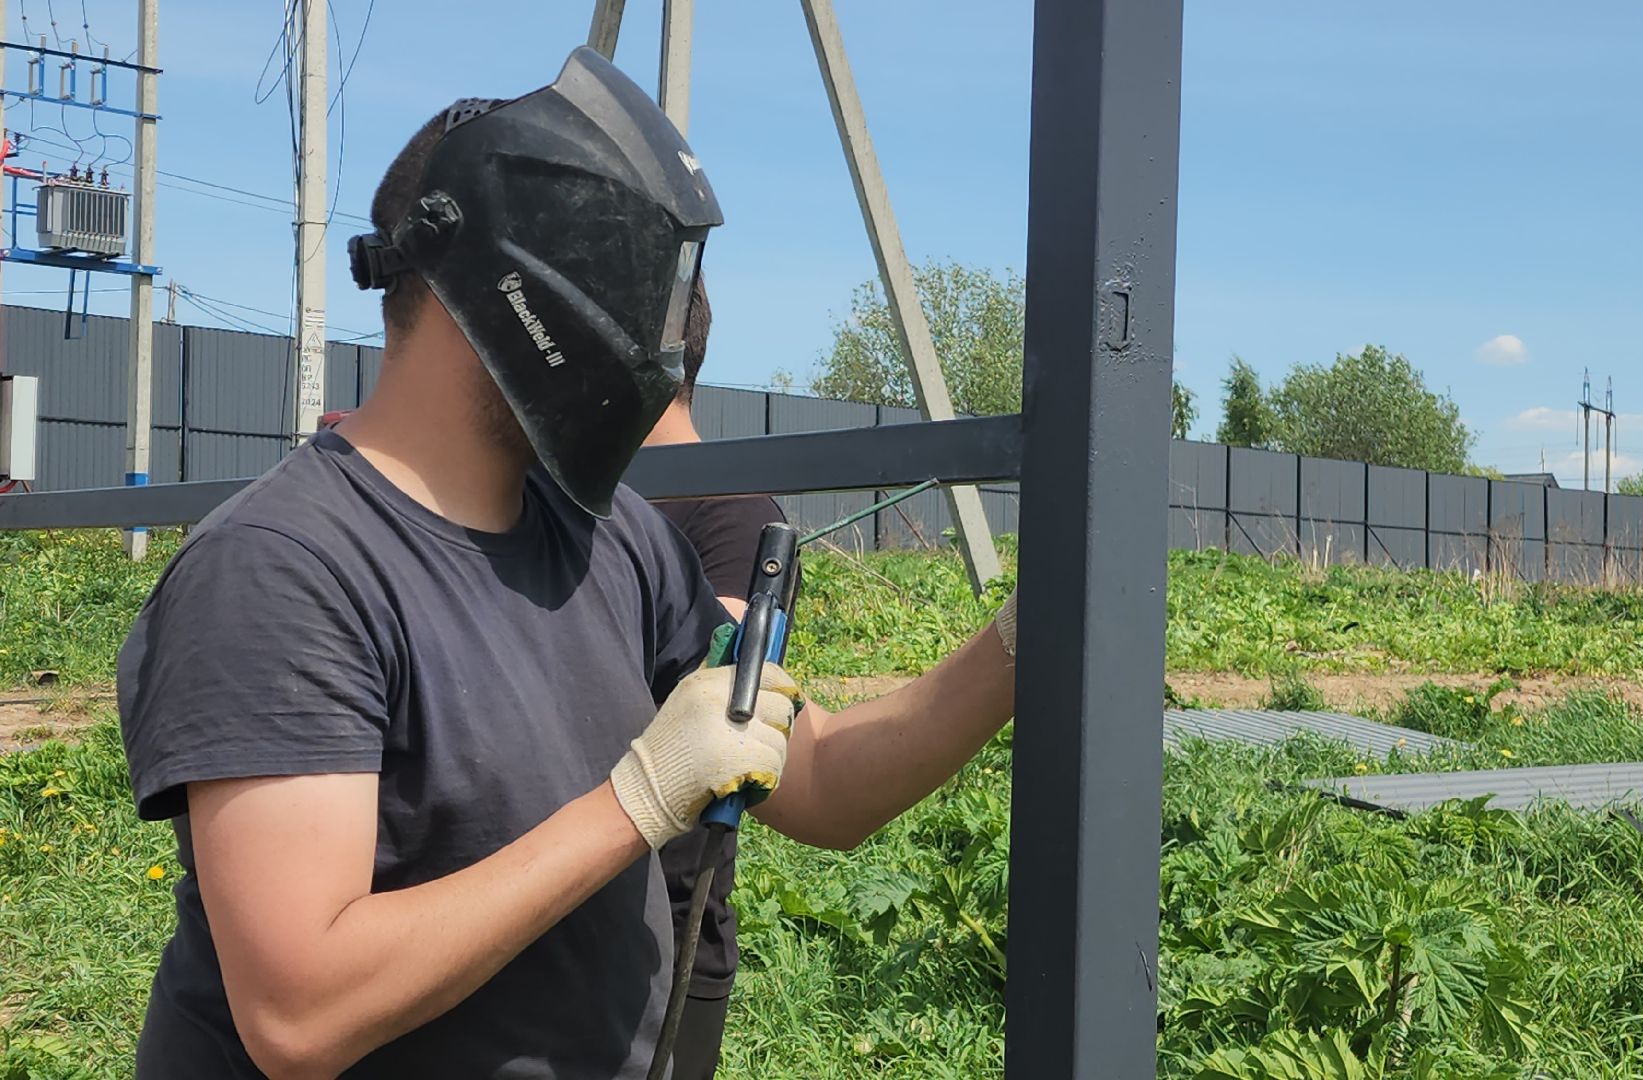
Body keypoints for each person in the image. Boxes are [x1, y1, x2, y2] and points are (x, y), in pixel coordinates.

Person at [116, 48, 1017, 1079]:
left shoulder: (618, 538)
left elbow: (818, 782)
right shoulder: (282, 571)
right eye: (624, 285)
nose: (651, 346)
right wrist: (637, 801)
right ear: (508, 278)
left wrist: (1022, 643)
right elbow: (300, 1013)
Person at [639, 275, 780, 1080]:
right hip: (539, 928)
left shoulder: (731, 509)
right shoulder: (567, 500)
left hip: (667, 935)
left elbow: (697, 706)